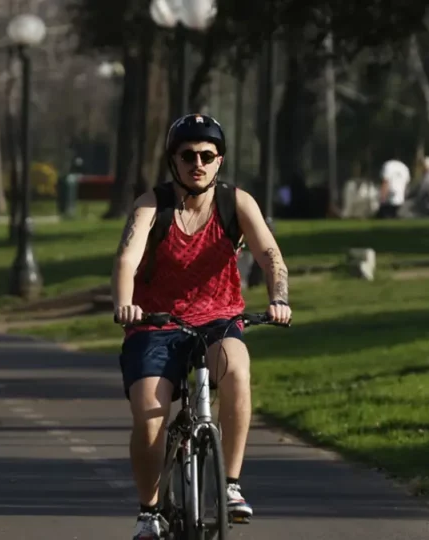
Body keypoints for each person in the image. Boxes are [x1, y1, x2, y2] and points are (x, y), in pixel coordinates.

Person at [111, 114, 292, 540]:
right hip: (156, 324)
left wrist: (278, 298)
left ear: (219, 160)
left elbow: (269, 254)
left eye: (207, 156)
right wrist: (125, 304)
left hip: (220, 320)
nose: (198, 163)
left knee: (238, 372)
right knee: (150, 418)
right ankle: (149, 511)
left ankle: (230, 485)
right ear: (173, 160)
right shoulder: (150, 207)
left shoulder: (236, 203)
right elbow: (126, 260)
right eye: (188, 155)